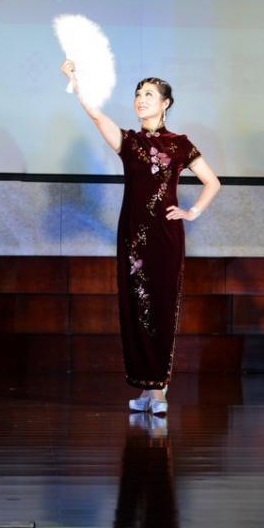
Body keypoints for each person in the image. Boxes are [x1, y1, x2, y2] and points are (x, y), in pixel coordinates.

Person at [61, 60, 221, 414]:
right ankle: (146, 388)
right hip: (132, 236)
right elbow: (96, 115)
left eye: (149, 94)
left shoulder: (180, 144)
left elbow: (213, 182)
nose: (141, 99)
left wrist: (192, 212)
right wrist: (75, 80)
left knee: (161, 307)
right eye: (138, 94)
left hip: (165, 237)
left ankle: (160, 389)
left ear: (165, 103)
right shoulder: (129, 142)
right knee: (135, 308)